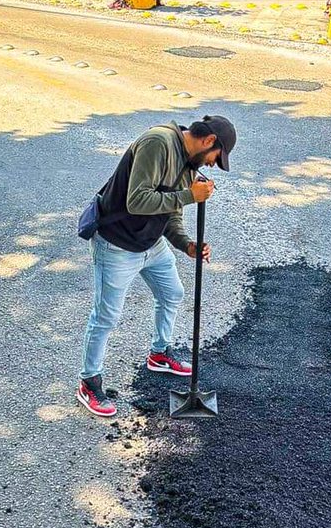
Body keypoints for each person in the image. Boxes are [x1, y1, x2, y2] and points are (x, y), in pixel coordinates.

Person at [77, 115, 236, 418]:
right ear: (209, 141)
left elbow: (171, 213)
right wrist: (191, 195)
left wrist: (186, 244)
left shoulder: (190, 165)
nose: (215, 165)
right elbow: (137, 200)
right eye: (218, 157)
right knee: (106, 316)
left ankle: (159, 354)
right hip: (117, 244)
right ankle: (89, 382)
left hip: (152, 244)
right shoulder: (158, 143)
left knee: (172, 293)